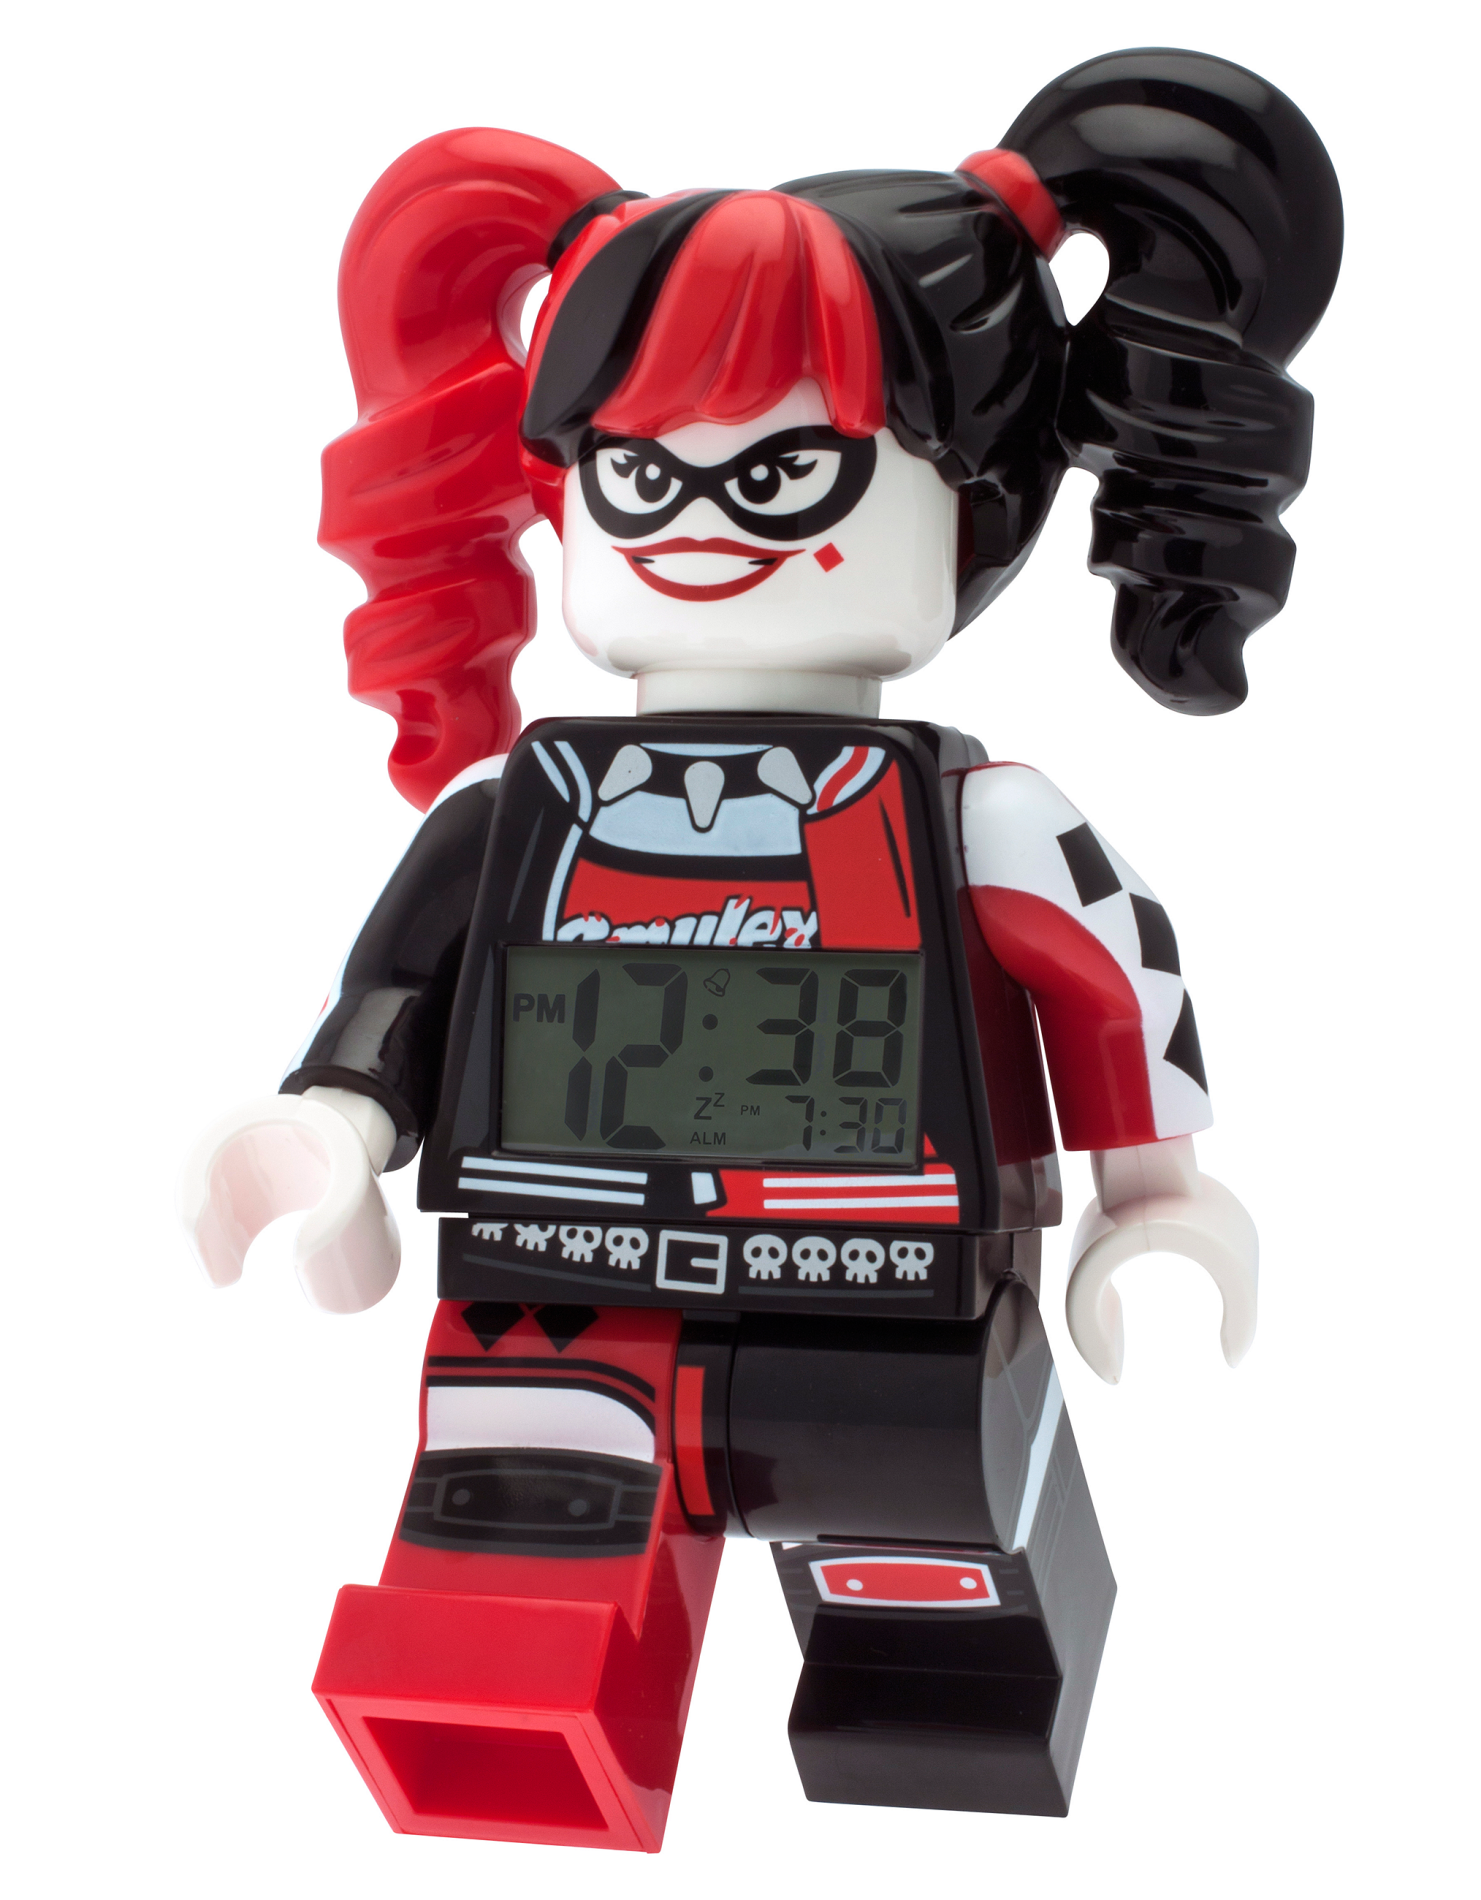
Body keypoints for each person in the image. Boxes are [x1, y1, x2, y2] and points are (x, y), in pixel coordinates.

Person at [181, 48, 1341, 1847]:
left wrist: (1156, 1201)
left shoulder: (973, 819)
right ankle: (514, 1726)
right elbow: (397, 1000)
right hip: (554, 1282)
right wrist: (330, 1127)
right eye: (639, 475)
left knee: (932, 1591)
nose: (703, 519)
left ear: (974, 501)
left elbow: (1111, 971)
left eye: (793, 471)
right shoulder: (523, 811)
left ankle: (932, 1720)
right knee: (504, 1572)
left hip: (890, 1300)